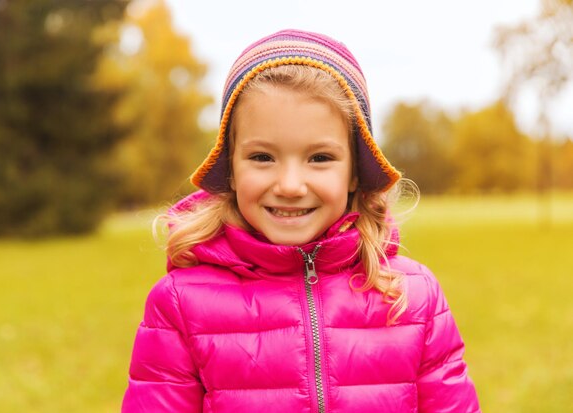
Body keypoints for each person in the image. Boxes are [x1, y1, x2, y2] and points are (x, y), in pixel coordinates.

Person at [121, 29, 480, 412]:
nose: (290, 185)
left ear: (355, 173)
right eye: (262, 158)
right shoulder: (178, 303)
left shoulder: (414, 297)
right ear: (230, 170)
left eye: (319, 158)